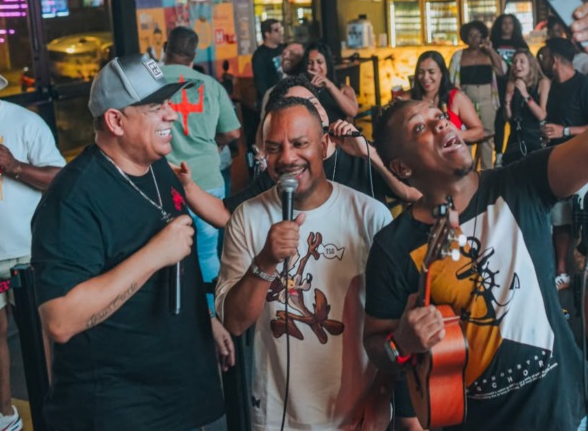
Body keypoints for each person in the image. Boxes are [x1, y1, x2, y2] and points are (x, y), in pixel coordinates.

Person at [364, 1, 588, 431]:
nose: (440, 125)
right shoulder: (393, 246)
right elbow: (377, 346)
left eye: (439, 116)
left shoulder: (520, 182)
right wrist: (402, 342)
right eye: (420, 128)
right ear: (401, 168)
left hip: (567, 414)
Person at [32, 54, 226, 430]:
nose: (171, 115)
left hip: (178, 390)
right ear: (115, 121)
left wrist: (206, 323)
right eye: (156, 107)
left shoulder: (158, 168)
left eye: (168, 103)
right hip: (118, 406)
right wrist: (154, 255)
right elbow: (60, 320)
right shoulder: (73, 196)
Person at [216, 96, 393, 430]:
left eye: (300, 144)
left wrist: (381, 395)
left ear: (325, 145)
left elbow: (393, 323)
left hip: (357, 410)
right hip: (277, 414)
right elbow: (234, 323)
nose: (287, 158)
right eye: (274, 148)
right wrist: (266, 261)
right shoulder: (247, 217)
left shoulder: (370, 215)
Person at [0, 48, 65, 431]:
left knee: (37, 334)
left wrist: (15, 167)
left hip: (26, 251)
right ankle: (4, 415)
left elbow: (61, 179)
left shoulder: (25, 123)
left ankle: (52, 408)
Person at [225, 75, 421, 212]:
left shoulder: (360, 152)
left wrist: (367, 152)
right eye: (301, 107)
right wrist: (191, 188)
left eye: (314, 103)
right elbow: (225, 212)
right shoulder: (287, 168)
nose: (312, 112)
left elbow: (414, 193)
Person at [162, 26, 241, 357]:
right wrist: (210, 142)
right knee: (207, 253)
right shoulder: (211, 85)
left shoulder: (153, 81)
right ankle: (209, 318)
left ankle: (176, 323)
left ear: (165, 48)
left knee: (168, 253)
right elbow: (233, 132)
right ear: (194, 56)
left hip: (166, 181)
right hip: (207, 178)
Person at [540, 37, 588, 290]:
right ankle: (561, 271)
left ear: (553, 59)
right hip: (559, 161)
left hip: (585, 163)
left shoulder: (586, 86)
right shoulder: (553, 87)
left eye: (542, 57)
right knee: (559, 219)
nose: (539, 61)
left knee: (584, 219)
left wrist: (564, 131)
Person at [449, 20, 507, 170]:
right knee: (466, 135)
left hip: (488, 98)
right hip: (465, 99)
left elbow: (502, 71)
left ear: (483, 37)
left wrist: (490, 50)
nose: (474, 38)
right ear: (465, 37)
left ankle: (487, 171)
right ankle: (466, 169)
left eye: (477, 35)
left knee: (487, 136)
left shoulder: (488, 54)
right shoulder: (458, 56)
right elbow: (450, 80)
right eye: (471, 35)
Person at [408, 50, 484, 143]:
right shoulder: (408, 98)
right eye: (420, 72)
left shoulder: (456, 97)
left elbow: (479, 132)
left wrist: (456, 134)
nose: (425, 77)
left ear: (442, 74)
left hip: (451, 155)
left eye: (431, 72)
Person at [490, 14, 529, 166]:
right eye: (504, 23)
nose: (507, 26)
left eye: (510, 23)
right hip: (497, 85)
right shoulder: (493, 43)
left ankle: (515, 150)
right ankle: (499, 153)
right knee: (498, 120)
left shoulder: (520, 43)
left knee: (515, 118)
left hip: (516, 84)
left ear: (515, 26)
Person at [503, 48, 551, 165]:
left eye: (522, 61)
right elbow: (509, 118)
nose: (517, 65)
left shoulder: (542, 82)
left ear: (531, 64)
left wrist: (525, 94)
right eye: (514, 62)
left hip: (534, 137)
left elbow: (542, 115)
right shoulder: (512, 83)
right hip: (516, 136)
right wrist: (507, 104)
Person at [304, 41, 358, 124]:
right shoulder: (303, 90)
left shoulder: (343, 89)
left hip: (338, 134)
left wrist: (329, 85)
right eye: (310, 63)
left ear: (327, 64)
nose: (314, 67)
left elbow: (353, 112)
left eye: (319, 62)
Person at [259, 41, 305, 118]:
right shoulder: (272, 92)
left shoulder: (312, 87)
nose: (285, 56)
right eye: (284, 53)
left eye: (292, 53)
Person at [252, 18, 285, 108]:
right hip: (272, 101)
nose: (280, 32)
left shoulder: (284, 49)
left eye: (281, 29)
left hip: (287, 96)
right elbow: (260, 82)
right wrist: (269, 100)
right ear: (267, 34)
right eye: (276, 30)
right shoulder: (260, 55)